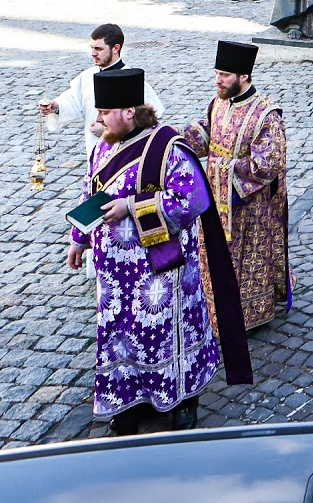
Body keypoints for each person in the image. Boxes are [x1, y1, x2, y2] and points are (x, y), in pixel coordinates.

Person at [67, 68, 251, 434]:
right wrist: (80, 236)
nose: (97, 119)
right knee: (121, 334)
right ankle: (129, 399)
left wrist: (132, 208)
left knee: (167, 331)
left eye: (104, 112)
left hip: (162, 269)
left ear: (130, 111)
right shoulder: (104, 144)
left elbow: (192, 200)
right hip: (114, 274)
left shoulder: (169, 147)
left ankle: (184, 397)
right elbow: (93, 191)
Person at [181, 41, 290, 331]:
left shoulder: (267, 115)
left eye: (224, 75)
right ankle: (212, 312)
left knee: (243, 260)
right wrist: (171, 141)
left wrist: (223, 170)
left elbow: (267, 165)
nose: (218, 80)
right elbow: (206, 133)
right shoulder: (219, 102)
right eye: (216, 73)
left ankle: (248, 315)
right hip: (214, 201)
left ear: (243, 76)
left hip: (248, 206)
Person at [40, 23, 166, 168]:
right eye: (92, 48)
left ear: (116, 48)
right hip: (95, 154)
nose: (93, 53)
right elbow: (73, 101)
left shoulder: (133, 81)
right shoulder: (87, 76)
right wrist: (55, 107)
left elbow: (148, 123)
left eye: (99, 49)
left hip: (126, 159)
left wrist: (108, 132)